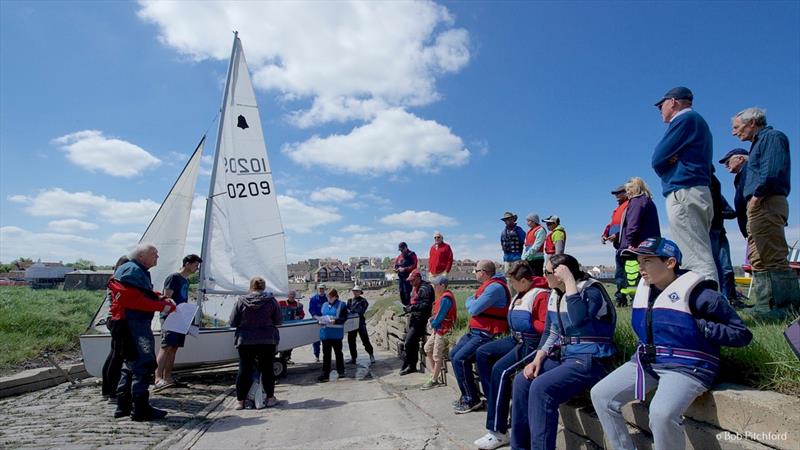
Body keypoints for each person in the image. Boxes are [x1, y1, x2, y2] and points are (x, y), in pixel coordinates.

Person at [591, 237, 752, 450]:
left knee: (660, 414)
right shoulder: (645, 290)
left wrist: (703, 327)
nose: (641, 267)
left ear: (670, 262)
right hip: (648, 363)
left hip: (688, 367)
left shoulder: (702, 295)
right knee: (601, 395)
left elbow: (742, 334)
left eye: (647, 261)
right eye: (639, 262)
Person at [510, 254, 616, 450]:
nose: (543, 276)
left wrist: (569, 283)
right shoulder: (555, 294)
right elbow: (552, 332)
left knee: (541, 388)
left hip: (590, 359)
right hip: (566, 356)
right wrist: (538, 358)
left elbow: (579, 320)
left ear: (562, 274)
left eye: (547, 272)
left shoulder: (591, 292)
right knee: (522, 381)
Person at [731, 107, 800, 320]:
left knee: (773, 255)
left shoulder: (772, 137)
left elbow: (771, 171)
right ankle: (764, 304)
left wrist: (756, 197)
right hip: (759, 204)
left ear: (752, 122)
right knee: (759, 258)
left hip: (766, 202)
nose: (734, 132)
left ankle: (785, 306)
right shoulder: (757, 144)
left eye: (736, 127)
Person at [473, 262, 549, 449]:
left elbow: (546, 327)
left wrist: (529, 323)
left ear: (524, 280)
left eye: (513, 282)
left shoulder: (541, 295)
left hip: (532, 343)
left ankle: (498, 432)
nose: (511, 286)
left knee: (501, 370)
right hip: (516, 338)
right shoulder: (521, 293)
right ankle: (496, 401)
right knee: (483, 353)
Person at [652, 86, 717, 283]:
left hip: (684, 192)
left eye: (660, 105)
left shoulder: (684, 119)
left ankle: (707, 309)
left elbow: (657, 158)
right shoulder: (696, 122)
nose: (659, 110)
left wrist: (667, 164)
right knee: (698, 250)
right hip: (694, 191)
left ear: (673, 102)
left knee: (694, 257)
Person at [112, 244, 176, 421]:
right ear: (141, 256)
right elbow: (134, 299)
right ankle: (140, 408)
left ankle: (123, 405)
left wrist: (159, 297)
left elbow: (140, 293)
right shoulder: (132, 271)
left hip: (128, 322)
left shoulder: (132, 269)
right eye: (154, 254)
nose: (157, 257)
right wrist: (162, 306)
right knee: (143, 364)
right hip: (134, 324)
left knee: (130, 364)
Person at [451, 260, 511, 414]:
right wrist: (472, 301)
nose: (474, 273)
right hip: (476, 331)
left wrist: (471, 301)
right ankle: (471, 394)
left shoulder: (495, 288)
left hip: (487, 333)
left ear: (483, 272)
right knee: (453, 354)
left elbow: (474, 308)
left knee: (460, 359)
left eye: (476, 270)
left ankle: (471, 400)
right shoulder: (489, 286)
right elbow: (472, 303)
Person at [229, 276, 282, 410]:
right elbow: (278, 321)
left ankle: (240, 401)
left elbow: (232, 322)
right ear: (264, 287)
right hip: (267, 339)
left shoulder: (241, 301)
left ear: (251, 287)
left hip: (246, 339)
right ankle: (270, 399)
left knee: (244, 370)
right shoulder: (271, 301)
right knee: (267, 369)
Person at [154, 254, 202, 391]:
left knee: (174, 348)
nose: (196, 268)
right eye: (195, 265)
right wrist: (174, 308)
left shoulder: (186, 281)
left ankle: (168, 377)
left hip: (181, 317)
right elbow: (167, 297)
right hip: (170, 316)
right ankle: (158, 378)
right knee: (166, 346)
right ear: (187, 263)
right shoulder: (173, 278)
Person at [617, 177, 661, 305]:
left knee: (634, 276)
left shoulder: (636, 201)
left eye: (628, 189)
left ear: (634, 189)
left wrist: (630, 242)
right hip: (650, 243)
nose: (627, 193)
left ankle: (641, 301)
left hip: (638, 245)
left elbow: (633, 223)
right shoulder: (648, 201)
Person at [101, 255, 130, 402]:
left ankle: (107, 390)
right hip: (118, 319)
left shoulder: (114, 280)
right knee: (117, 356)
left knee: (113, 354)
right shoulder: (118, 281)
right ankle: (112, 392)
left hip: (112, 319)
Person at [709, 172, 740, 304]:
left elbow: (732, 212)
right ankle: (718, 298)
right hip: (710, 232)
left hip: (719, 232)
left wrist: (717, 213)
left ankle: (731, 298)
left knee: (726, 268)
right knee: (715, 266)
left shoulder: (717, 196)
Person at [421, 275, 457, 390]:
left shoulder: (446, 298)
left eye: (436, 285)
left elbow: (441, 316)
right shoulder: (442, 296)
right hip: (438, 329)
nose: (434, 287)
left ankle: (434, 379)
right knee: (427, 348)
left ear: (442, 285)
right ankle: (434, 373)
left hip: (443, 330)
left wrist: (433, 323)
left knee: (437, 355)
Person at [401, 269, 434, 375]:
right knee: (411, 342)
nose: (410, 283)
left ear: (419, 278)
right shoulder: (415, 287)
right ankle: (411, 365)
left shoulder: (425, 288)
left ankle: (410, 365)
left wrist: (412, 308)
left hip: (421, 318)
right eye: (410, 281)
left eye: (412, 280)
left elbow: (426, 305)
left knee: (409, 341)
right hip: (415, 317)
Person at [602, 186, 629, 306]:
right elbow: (611, 224)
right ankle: (620, 299)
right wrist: (605, 234)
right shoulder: (617, 209)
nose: (617, 195)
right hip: (618, 246)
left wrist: (617, 235)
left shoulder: (630, 205)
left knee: (631, 274)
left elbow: (630, 223)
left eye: (620, 192)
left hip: (628, 245)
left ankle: (636, 299)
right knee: (619, 274)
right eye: (615, 193)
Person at [317, 289, 349, 382]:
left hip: (336, 334)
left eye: (330, 297)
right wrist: (319, 321)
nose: (328, 298)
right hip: (325, 334)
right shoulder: (324, 305)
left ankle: (341, 371)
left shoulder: (341, 305)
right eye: (327, 297)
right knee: (326, 355)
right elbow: (321, 316)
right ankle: (325, 373)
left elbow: (344, 318)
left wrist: (335, 321)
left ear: (335, 296)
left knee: (338, 353)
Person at [719, 148, 750, 239]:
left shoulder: (750, 171)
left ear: (740, 159)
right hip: (750, 227)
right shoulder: (740, 176)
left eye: (727, 162)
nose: (726, 166)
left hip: (757, 222)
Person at [347, 285, 375, 365]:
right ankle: (353, 358)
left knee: (365, 340)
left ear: (360, 292)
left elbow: (361, 310)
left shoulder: (364, 301)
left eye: (357, 291)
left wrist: (351, 311)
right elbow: (346, 310)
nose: (355, 292)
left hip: (361, 323)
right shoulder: (349, 301)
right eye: (354, 291)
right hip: (352, 323)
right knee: (351, 341)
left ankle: (371, 354)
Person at [278, 290, 305, 363]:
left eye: (293, 294)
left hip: (293, 328)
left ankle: (286, 358)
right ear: (288, 295)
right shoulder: (280, 303)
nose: (292, 296)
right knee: (282, 343)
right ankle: (282, 358)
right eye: (290, 294)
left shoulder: (299, 305)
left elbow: (302, 315)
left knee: (290, 344)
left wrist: (298, 317)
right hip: (282, 327)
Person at [308, 283, 328, 362]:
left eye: (322, 289)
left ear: (324, 290)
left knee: (326, 340)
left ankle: (326, 356)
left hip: (326, 321)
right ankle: (316, 356)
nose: (321, 290)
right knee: (316, 339)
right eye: (320, 289)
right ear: (317, 289)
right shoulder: (313, 299)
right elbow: (311, 309)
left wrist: (325, 318)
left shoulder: (327, 298)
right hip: (315, 320)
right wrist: (316, 317)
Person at [394, 242, 418, 306]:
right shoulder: (399, 256)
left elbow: (414, 265)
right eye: (400, 250)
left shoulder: (412, 254)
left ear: (406, 248)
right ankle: (404, 306)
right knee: (401, 292)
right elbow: (396, 265)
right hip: (401, 277)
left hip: (409, 277)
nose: (401, 251)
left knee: (407, 292)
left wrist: (405, 269)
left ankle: (409, 305)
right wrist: (396, 269)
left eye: (402, 249)